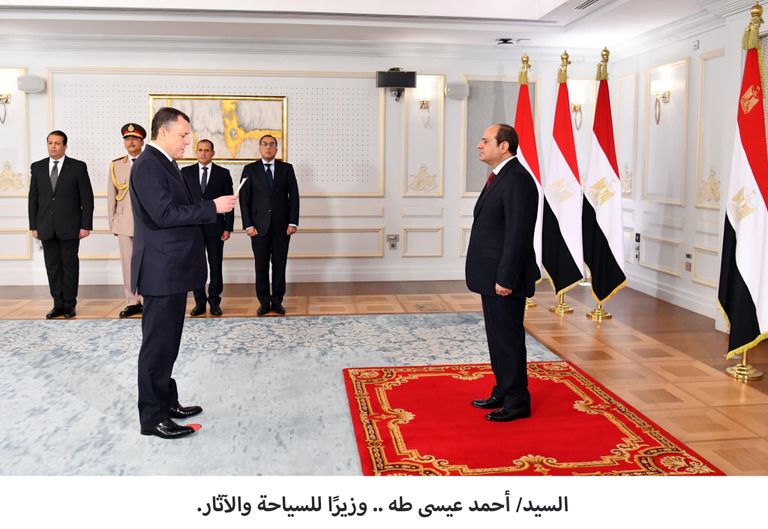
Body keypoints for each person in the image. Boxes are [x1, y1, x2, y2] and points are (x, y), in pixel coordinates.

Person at [130, 107, 237, 439]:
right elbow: (164, 214)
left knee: (169, 343)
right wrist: (212, 207)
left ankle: (167, 401)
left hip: (172, 269)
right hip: (161, 270)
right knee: (157, 347)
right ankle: (152, 418)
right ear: (162, 132)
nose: (188, 141)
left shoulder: (164, 163)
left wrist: (210, 207)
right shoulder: (148, 165)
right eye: (183, 135)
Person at [465, 123, 539, 422]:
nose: (480, 145)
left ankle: (517, 400)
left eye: (486, 141)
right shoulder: (500, 176)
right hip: (491, 275)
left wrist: (506, 278)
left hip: (505, 278)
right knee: (497, 337)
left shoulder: (518, 179)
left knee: (508, 339)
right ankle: (503, 390)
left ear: (504, 146)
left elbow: (518, 235)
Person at [28, 130, 94, 319]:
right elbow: (33, 199)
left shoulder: (78, 167)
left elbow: (87, 199)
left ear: (65, 146)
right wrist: (33, 226)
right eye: (50, 143)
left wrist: (85, 225)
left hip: (71, 227)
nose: (53, 146)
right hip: (46, 227)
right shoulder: (38, 167)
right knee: (52, 267)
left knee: (69, 266)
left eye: (57, 143)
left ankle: (69, 305)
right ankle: (57, 304)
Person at [239, 134, 299, 316]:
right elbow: (244, 200)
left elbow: (294, 197)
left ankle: (277, 301)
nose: (268, 147)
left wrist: (293, 222)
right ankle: (264, 302)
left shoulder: (286, 169)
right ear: (259, 147)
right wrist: (248, 225)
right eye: (265, 144)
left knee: (280, 266)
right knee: (261, 266)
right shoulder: (249, 169)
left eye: (272, 144)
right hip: (258, 228)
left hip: (282, 227)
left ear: (276, 148)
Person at [181, 139, 234, 317]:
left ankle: (215, 302)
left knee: (215, 265)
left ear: (213, 153)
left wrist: (228, 227)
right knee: (196, 265)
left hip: (216, 227)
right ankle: (200, 302)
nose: (203, 153)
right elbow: (182, 201)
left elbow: (229, 201)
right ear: (196, 152)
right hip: (193, 227)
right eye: (200, 150)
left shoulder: (223, 173)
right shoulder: (185, 172)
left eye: (207, 150)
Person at [108, 123, 145, 318]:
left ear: (142, 141)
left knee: (147, 263)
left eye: (135, 138)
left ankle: (147, 299)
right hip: (124, 222)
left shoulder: (150, 162)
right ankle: (132, 301)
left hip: (147, 222)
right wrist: (112, 222)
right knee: (127, 264)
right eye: (127, 139)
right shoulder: (116, 165)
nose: (131, 142)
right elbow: (111, 196)